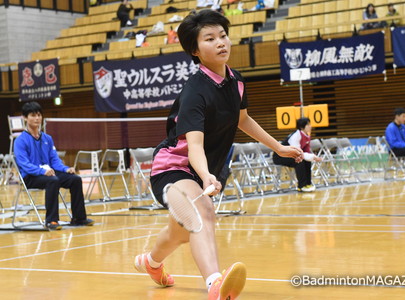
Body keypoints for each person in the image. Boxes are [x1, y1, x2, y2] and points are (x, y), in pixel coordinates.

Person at [133, 10, 303, 300]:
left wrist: (278, 146)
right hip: (175, 167)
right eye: (210, 39)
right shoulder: (195, 91)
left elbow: (243, 120)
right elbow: (194, 145)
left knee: (180, 232)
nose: (221, 42)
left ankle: (150, 263)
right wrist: (206, 175)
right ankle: (214, 284)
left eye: (223, 35)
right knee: (202, 215)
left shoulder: (236, 80)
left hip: (203, 170)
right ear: (195, 51)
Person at [13, 101, 94, 230]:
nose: (37, 118)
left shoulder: (47, 138)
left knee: (75, 179)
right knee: (53, 181)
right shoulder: (20, 141)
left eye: (39, 115)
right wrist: (41, 171)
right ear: (25, 118)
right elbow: (24, 164)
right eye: (33, 115)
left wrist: (66, 169)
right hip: (30, 177)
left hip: (49, 174)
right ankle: (52, 220)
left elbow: (54, 160)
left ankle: (79, 218)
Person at [273, 117, 322, 192]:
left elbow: (306, 151)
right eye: (308, 125)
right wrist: (312, 156)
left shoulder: (307, 136)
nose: (310, 126)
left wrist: (312, 157)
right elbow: (297, 153)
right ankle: (301, 186)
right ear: (302, 127)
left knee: (307, 161)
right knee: (299, 161)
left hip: (291, 155)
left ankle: (307, 184)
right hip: (280, 157)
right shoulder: (296, 136)